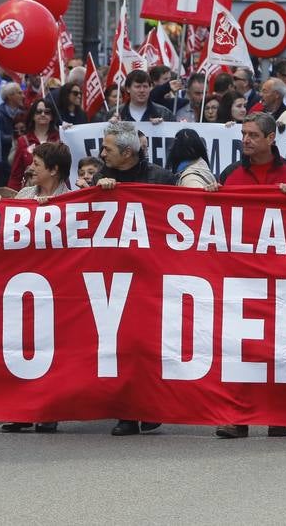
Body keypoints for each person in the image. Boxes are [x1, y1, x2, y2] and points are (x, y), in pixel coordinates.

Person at [215, 113, 286, 440]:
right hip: (241, 275)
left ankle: (278, 415)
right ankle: (237, 418)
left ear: (271, 139)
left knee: (280, 348)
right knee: (240, 348)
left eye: (253, 134)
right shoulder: (230, 174)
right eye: (243, 133)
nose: (246, 140)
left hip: (284, 275)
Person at [89, 120, 173, 438]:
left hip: (153, 277)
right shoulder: (101, 177)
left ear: (127, 152)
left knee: (149, 346)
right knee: (121, 346)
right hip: (115, 277)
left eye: (108, 148)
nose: (102, 153)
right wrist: (100, 192)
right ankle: (126, 412)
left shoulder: (162, 179)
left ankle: (150, 407)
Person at [0, 141, 73, 436]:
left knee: (52, 350)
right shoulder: (26, 194)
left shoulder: (76, 199)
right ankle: (21, 410)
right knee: (23, 349)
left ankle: (49, 410)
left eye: (37, 165)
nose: (30, 168)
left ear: (54, 170)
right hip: (25, 286)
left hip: (59, 288)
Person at [8, 100, 60, 190]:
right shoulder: (23, 141)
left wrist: (68, 131)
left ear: (52, 116)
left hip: (56, 192)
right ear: (33, 115)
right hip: (30, 192)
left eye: (47, 112)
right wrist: (11, 195)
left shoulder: (60, 138)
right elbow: (16, 174)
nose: (43, 114)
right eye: (38, 112)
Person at [0, 82, 26, 165]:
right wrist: (16, 139)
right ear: (9, 96)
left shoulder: (23, 114)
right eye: (19, 93)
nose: (23, 96)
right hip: (3, 160)